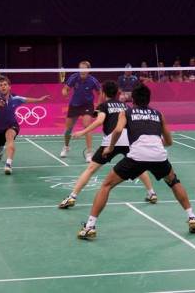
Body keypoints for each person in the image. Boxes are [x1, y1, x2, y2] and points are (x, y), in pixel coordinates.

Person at [77, 83, 195, 240]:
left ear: (132, 99)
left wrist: (111, 147)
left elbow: (119, 130)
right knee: (174, 182)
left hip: (137, 156)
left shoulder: (126, 112)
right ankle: (192, 217)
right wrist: (154, 144)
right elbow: (169, 142)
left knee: (106, 185)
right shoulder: (158, 114)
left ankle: (90, 227)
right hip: (159, 156)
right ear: (149, 99)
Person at [58, 80, 157, 209]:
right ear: (117, 93)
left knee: (91, 169)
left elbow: (99, 121)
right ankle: (152, 193)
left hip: (112, 140)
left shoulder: (104, 105)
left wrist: (83, 131)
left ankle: (72, 196)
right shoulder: (125, 106)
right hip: (128, 140)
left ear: (103, 93)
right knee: (138, 167)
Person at [0, 76, 50, 174]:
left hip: (11, 125)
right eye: (1, 85)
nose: (3, 87)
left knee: (10, 137)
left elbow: (26, 99)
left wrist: (40, 100)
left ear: (9, 87)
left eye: (5, 85)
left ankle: (8, 164)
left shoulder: (15, 98)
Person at [60, 61, 101, 162]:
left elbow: (100, 93)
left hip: (87, 105)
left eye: (84, 69)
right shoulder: (74, 77)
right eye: (80, 68)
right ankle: (66, 146)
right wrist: (65, 93)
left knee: (87, 127)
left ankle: (89, 152)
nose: (82, 70)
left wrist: (98, 107)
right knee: (68, 130)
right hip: (74, 105)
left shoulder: (93, 80)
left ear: (88, 70)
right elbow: (65, 89)